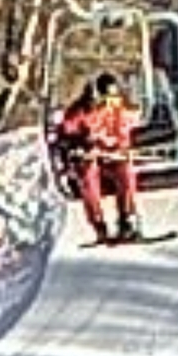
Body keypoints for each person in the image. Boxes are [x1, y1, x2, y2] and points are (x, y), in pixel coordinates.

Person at [59, 72, 141, 243]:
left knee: (126, 172)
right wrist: (80, 145)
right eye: (107, 97)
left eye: (114, 97)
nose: (111, 102)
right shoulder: (82, 111)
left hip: (112, 157)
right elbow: (66, 131)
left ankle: (127, 218)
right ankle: (99, 225)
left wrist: (121, 149)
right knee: (89, 175)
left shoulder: (118, 110)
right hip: (91, 158)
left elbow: (124, 131)